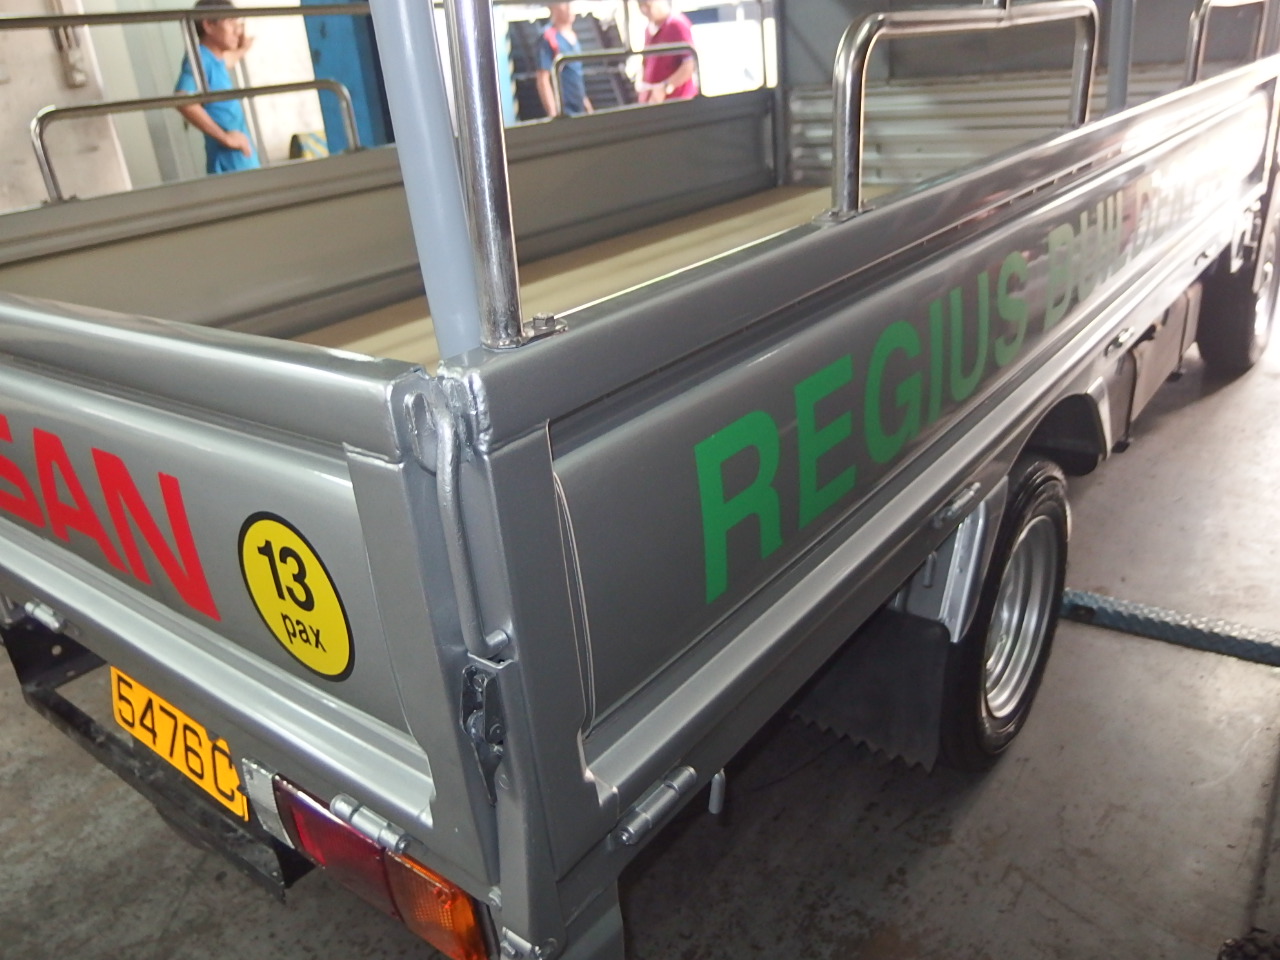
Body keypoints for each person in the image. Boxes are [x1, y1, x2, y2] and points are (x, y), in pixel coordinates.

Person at [175, 0, 260, 175]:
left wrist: (243, 48)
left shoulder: (215, 60)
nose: (238, 30)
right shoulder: (200, 58)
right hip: (229, 166)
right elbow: (183, 100)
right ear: (208, 25)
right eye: (231, 22)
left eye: (238, 23)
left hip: (242, 162)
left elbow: (230, 59)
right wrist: (225, 138)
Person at [535, 3, 593, 118]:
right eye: (564, 2)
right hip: (564, 111)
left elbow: (575, 75)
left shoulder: (574, 36)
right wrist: (554, 114)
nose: (569, 7)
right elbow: (543, 79)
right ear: (553, 6)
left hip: (579, 109)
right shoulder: (548, 37)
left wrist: (587, 106)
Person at [636, 0, 697, 104]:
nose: (644, 10)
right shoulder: (649, 30)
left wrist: (665, 86)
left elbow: (690, 63)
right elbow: (647, 62)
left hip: (679, 102)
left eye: (647, 5)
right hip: (657, 102)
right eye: (640, 5)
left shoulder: (677, 24)